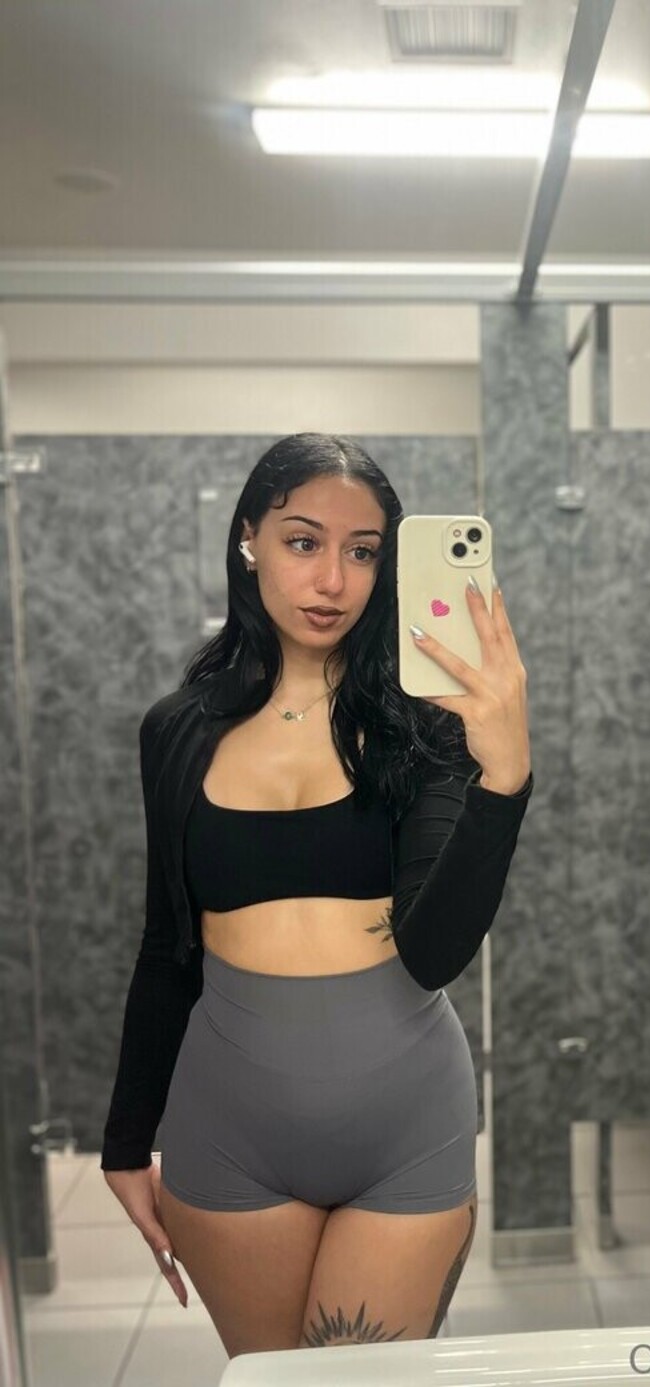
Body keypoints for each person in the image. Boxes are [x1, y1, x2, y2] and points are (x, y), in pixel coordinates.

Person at [99, 433, 533, 1357]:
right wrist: (126, 1141)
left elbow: (437, 951)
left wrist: (503, 780)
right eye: (303, 541)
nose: (332, 579)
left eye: (363, 551)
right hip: (229, 1129)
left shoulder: (425, 726)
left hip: (406, 1124)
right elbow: (166, 945)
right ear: (248, 539)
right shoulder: (177, 729)